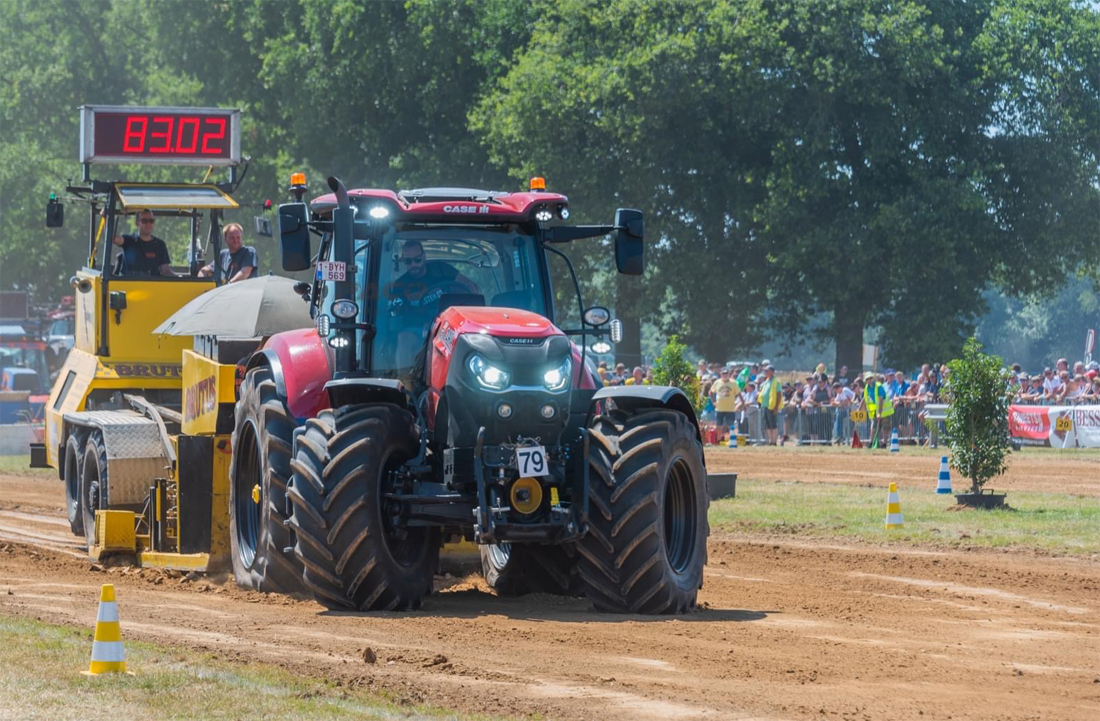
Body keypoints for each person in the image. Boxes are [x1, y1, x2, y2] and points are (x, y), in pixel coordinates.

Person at [111, 209, 175, 277]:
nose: (148, 224)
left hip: (152, 286)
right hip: (129, 285)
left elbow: (165, 271)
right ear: (137, 223)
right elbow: (113, 239)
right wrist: (106, 217)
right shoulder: (129, 240)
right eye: (144, 221)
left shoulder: (160, 245)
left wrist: (181, 280)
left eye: (151, 221)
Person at [862, 371, 894, 448]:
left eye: (870, 378)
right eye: (867, 379)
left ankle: (884, 443)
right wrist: (859, 408)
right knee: (873, 428)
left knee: (885, 428)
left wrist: (879, 413)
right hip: (875, 412)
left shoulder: (878, 387)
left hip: (885, 411)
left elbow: (881, 400)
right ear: (865, 381)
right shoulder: (867, 388)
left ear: (873, 379)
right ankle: (871, 442)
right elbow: (864, 399)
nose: (869, 380)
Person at [710, 367, 740, 438]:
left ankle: (731, 438)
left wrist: (740, 403)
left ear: (728, 374)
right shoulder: (717, 382)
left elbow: (738, 393)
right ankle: (719, 439)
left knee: (730, 425)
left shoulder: (733, 383)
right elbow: (710, 392)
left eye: (726, 374)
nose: (725, 375)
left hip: (730, 408)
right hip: (719, 408)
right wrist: (713, 401)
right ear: (721, 374)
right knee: (718, 425)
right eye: (723, 374)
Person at [757, 364, 782, 446]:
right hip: (764, 405)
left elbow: (779, 395)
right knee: (767, 425)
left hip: (772, 406)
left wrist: (776, 407)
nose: (765, 372)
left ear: (772, 372)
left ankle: (774, 441)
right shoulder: (766, 381)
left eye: (767, 371)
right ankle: (770, 441)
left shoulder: (776, 382)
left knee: (773, 424)